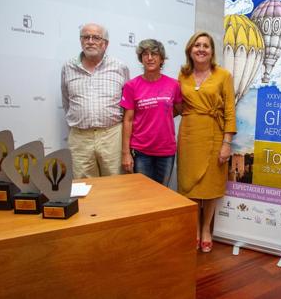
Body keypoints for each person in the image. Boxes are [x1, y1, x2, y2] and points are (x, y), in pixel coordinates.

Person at [177, 32, 237, 253]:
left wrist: (227, 142)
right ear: (190, 50)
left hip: (214, 134)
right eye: (197, 45)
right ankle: (193, 228)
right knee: (189, 184)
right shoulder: (182, 75)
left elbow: (230, 110)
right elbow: (176, 105)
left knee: (211, 185)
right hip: (189, 135)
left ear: (212, 51)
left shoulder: (223, 75)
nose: (201, 49)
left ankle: (205, 229)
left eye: (206, 46)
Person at [61, 23, 130, 178]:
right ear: (81, 41)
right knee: (84, 186)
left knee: (115, 183)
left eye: (96, 37)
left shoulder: (120, 67)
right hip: (80, 137)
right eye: (86, 37)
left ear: (105, 43)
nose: (90, 41)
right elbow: (66, 102)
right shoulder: (68, 67)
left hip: (112, 135)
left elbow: (127, 105)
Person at [120, 39, 182, 186]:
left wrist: (161, 115)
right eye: (145, 54)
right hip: (141, 151)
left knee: (162, 194)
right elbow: (127, 120)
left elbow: (180, 109)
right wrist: (126, 153)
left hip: (166, 151)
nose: (149, 58)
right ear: (141, 59)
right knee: (143, 195)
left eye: (154, 54)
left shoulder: (174, 84)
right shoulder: (131, 86)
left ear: (161, 58)